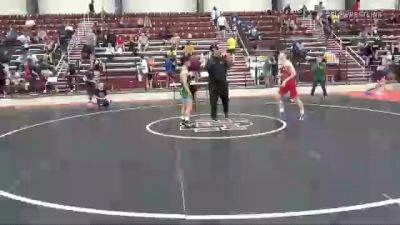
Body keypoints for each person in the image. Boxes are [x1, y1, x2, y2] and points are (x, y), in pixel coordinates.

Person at [276, 52, 305, 120]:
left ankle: (302, 113)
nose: (280, 57)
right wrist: (280, 76)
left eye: (281, 55)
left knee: (295, 99)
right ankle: (282, 111)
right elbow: (286, 73)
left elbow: (294, 73)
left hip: (290, 83)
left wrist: (285, 81)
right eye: (279, 56)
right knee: (278, 96)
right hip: (285, 83)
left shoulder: (288, 63)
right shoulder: (282, 64)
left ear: (284, 56)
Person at [206, 50, 232, 120]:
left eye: (218, 52)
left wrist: (227, 57)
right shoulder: (210, 61)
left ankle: (226, 113)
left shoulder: (223, 60)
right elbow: (207, 68)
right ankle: (214, 116)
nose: (217, 53)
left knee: (225, 100)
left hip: (223, 83)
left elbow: (229, 65)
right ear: (213, 54)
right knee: (213, 101)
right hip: (213, 84)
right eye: (215, 52)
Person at [179, 56, 194, 128]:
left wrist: (189, 75)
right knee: (189, 107)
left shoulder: (183, 70)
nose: (190, 62)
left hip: (182, 89)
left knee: (183, 107)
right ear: (185, 62)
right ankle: (186, 122)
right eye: (189, 61)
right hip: (185, 89)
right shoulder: (185, 71)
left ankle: (183, 121)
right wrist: (189, 92)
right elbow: (185, 83)